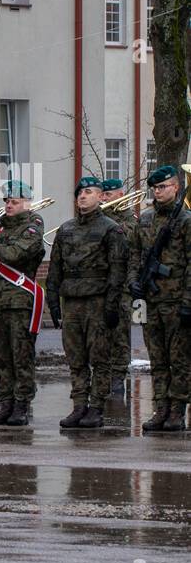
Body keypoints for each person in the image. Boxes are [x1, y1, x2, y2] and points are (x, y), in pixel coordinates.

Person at [46, 177, 127, 429]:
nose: (82, 196)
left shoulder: (110, 229)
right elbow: (55, 268)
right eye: (79, 192)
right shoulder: (66, 229)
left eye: (88, 192)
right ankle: (79, 405)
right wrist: (53, 300)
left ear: (101, 197)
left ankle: (96, 407)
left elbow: (117, 269)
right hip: (72, 300)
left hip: (98, 300)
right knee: (75, 357)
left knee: (99, 357)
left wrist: (112, 304)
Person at [127, 164, 191, 431]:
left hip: (176, 302)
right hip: (151, 302)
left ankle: (177, 412)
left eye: (163, 186)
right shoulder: (145, 219)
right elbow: (134, 255)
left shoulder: (186, 220)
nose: (158, 191)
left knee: (180, 360)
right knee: (158, 359)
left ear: (176, 187)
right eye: (155, 187)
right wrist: (134, 282)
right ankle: (161, 409)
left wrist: (188, 300)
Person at [0, 185, 46, 427]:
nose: (9, 205)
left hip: (20, 301)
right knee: (1, 357)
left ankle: (22, 405)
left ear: (27, 203)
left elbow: (15, 254)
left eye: (15, 201)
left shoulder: (32, 227)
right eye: (7, 201)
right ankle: (6, 403)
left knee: (21, 357)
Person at [100, 177, 134, 394]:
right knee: (100, 334)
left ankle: (118, 375)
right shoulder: (97, 218)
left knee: (119, 333)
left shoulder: (130, 219)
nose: (103, 198)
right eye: (102, 194)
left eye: (108, 195)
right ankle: (103, 375)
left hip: (121, 287)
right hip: (100, 284)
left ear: (120, 195)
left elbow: (129, 241)